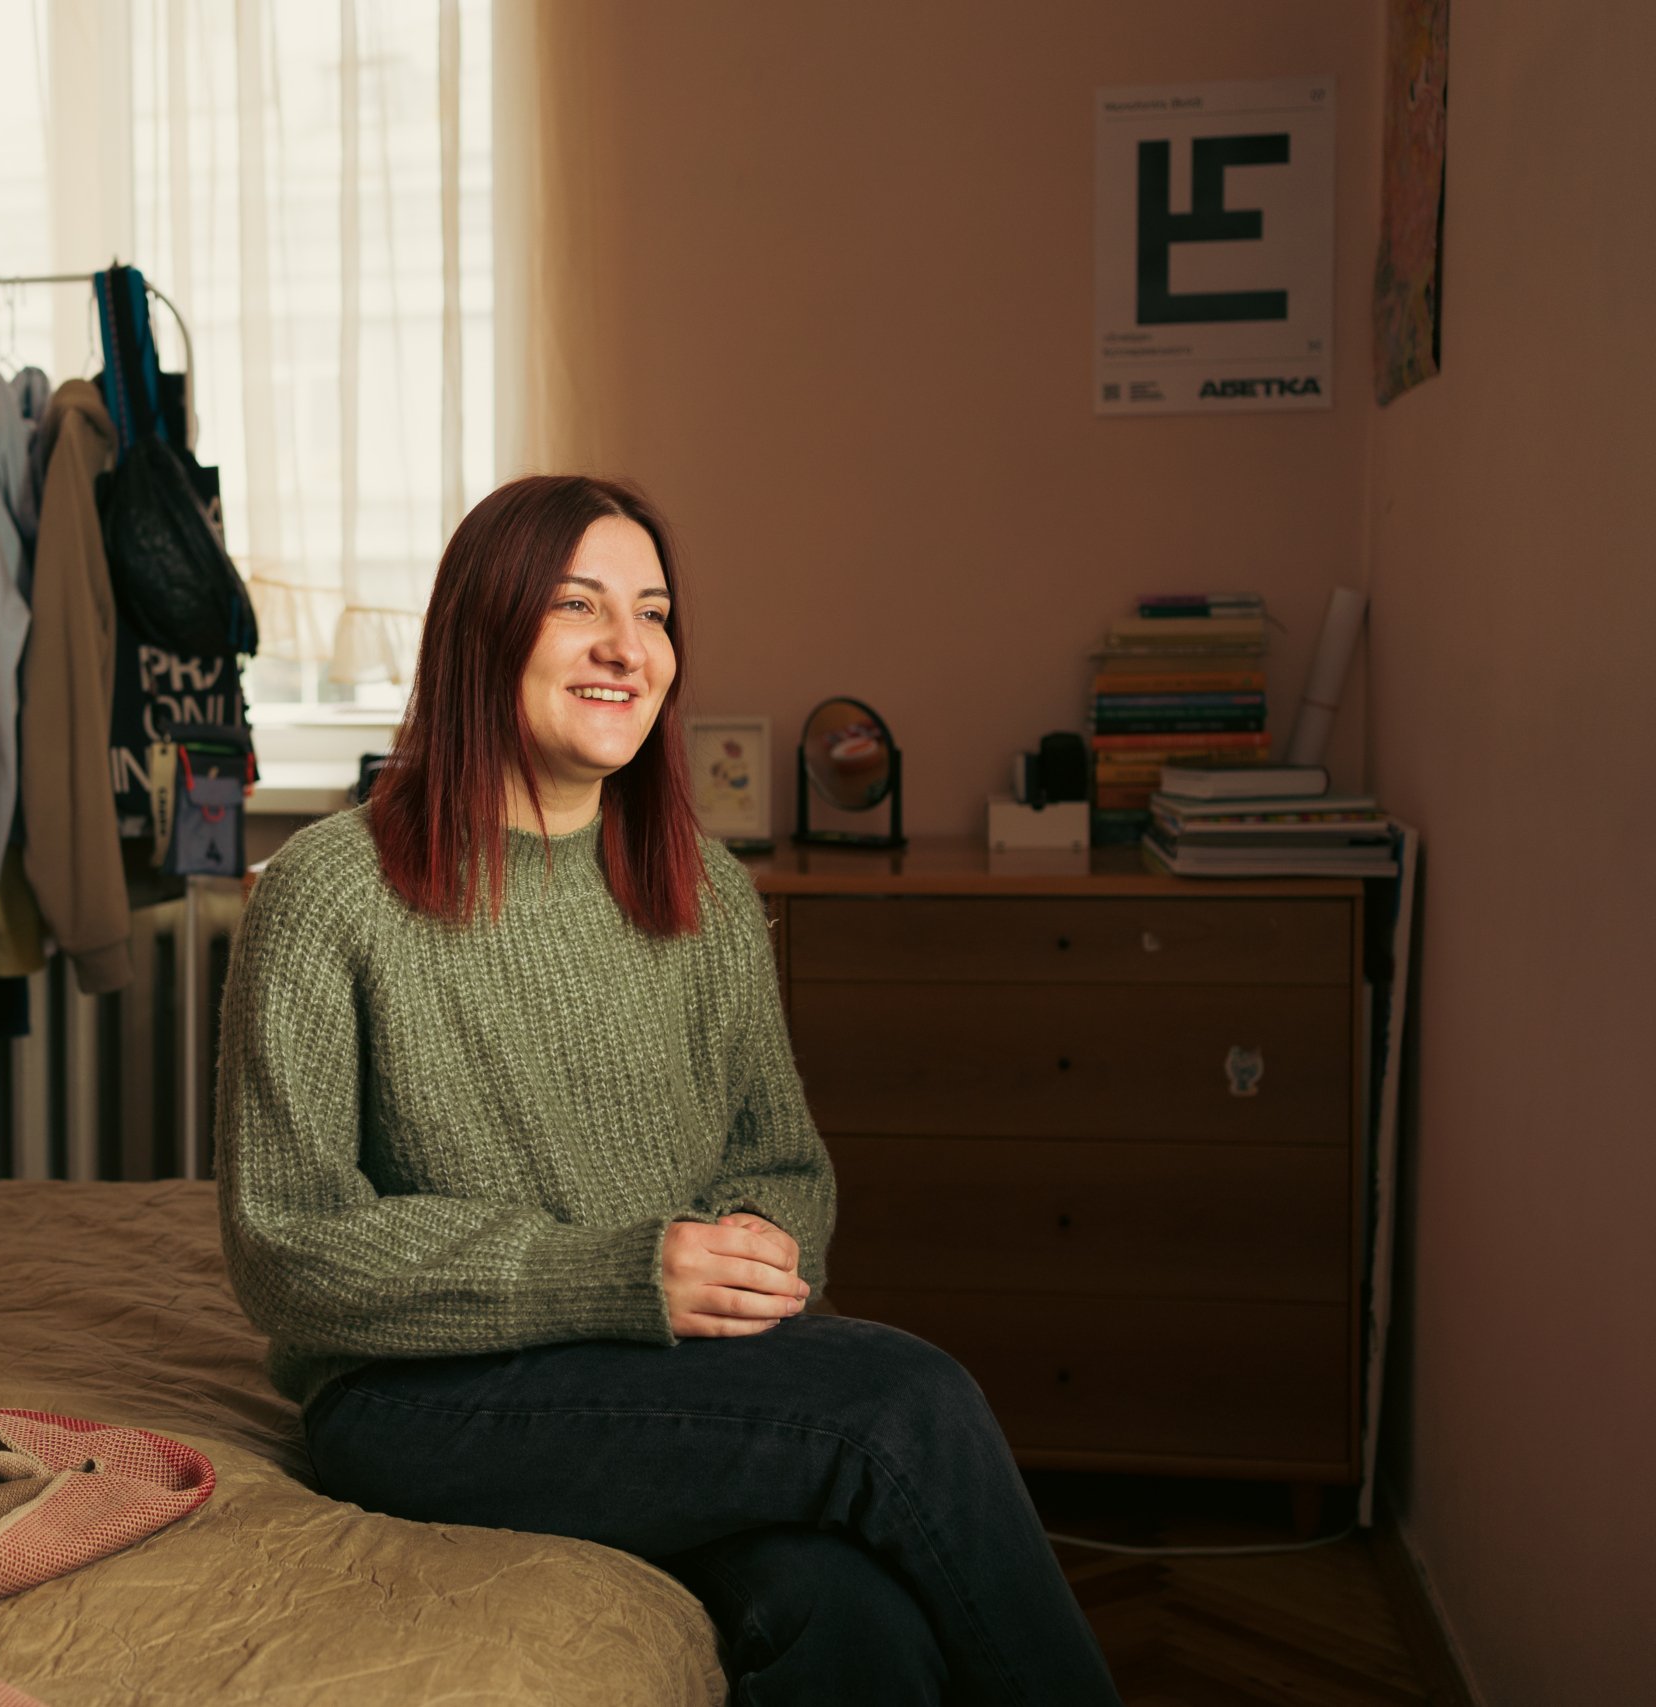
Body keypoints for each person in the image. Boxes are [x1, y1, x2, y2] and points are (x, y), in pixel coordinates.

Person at [213, 475, 1123, 1706]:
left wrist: (754, 1256)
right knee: (904, 1403)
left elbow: (783, 1161)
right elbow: (288, 1247)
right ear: (482, 632)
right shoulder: (330, 893)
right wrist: (623, 1272)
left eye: (653, 612)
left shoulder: (702, 884)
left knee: (849, 1619)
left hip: (670, 1379)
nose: (625, 648)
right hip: (423, 1399)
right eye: (577, 605)